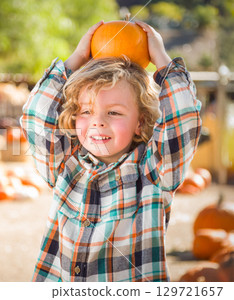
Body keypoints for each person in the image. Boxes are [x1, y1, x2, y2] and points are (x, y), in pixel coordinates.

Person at [20, 20, 201, 282]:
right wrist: (75, 59)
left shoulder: (154, 172)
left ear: (140, 123)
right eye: (86, 111)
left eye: (114, 112)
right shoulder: (64, 166)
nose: (97, 121)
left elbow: (183, 119)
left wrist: (162, 59)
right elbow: (37, 117)